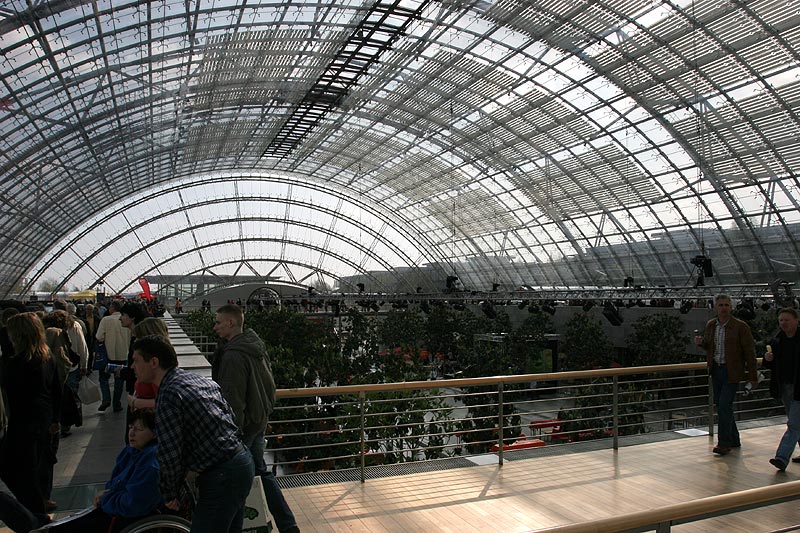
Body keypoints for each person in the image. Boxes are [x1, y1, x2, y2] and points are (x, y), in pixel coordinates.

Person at [131, 335, 254, 533]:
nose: (132, 366)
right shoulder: (195, 379)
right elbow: (229, 417)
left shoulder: (169, 394)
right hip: (240, 462)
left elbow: (170, 452)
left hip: (221, 475)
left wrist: (170, 494)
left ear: (154, 362)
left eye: (136, 360)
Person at [211, 304, 299, 533]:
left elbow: (233, 399)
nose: (215, 327)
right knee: (260, 472)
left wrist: (231, 434)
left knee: (235, 481)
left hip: (243, 428)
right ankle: (288, 525)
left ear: (231, 323)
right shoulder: (255, 346)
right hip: (258, 420)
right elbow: (268, 385)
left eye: (218, 322)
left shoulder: (233, 356)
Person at [0, 409, 163, 532]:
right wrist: (107, 495)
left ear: (154, 433)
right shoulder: (131, 453)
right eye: (130, 428)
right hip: (109, 511)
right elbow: (115, 484)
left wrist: (107, 498)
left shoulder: (149, 465)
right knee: (50, 524)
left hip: (115, 518)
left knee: (48, 527)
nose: (132, 433)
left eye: (139, 429)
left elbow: (132, 503)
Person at [1, 313, 62, 526]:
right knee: (35, 469)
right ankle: (37, 507)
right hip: (44, 421)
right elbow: (57, 390)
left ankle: (34, 517)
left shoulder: (15, 364)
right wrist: (55, 419)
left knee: (14, 471)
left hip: (23, 424)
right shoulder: (48, 357)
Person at [694, 293, 757, 455]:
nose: (723, 308)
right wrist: (702, 344)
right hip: (716, 369)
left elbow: (749, 352)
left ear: (731, 307)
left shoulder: (740, 327)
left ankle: (724, 443)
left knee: (723, 405)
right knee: (724, 406)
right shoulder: (711, 325)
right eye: (720, 305)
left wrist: (752, 375)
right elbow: (710, 347)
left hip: (732, 371)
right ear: (715, 307)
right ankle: (734, 439)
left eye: (726, 305)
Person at [764, 308, 800, 470]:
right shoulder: (777, 341)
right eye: (781, 320)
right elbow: (771, 365)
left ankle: (782, 457)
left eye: (787, 320)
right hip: (784, 386)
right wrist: (768, 359)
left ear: (796, 320)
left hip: (798, 387)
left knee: (793, 423)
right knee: (797, 422)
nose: (783, 323)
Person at [126, 318, 171, 413]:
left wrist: (136, 402)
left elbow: (166, 401)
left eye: (138, 337)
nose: (136, 341)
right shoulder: (155, 362)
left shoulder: (158, 368)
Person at [96, 300, 131, 412]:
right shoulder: (127, 320)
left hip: (107, 355)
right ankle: (117, 403)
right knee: (119, 380)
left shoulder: (105, 320)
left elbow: (99, 337)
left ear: (112, 308)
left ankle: (106, 398)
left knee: (103, 378)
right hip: (123, 354)